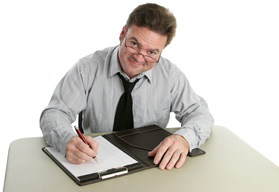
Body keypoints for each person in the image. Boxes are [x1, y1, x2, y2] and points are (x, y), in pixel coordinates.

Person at [40, 3, 214, 170]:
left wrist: (184, 139)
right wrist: (67, 140)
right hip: (94, 163)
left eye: (152, 52)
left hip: (152, 165)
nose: (139, 58)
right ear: (123, 33)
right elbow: (55, 113)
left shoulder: (170, 75)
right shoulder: (87, 68)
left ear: (161, 51)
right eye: (134, 44)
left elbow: (200, 113)